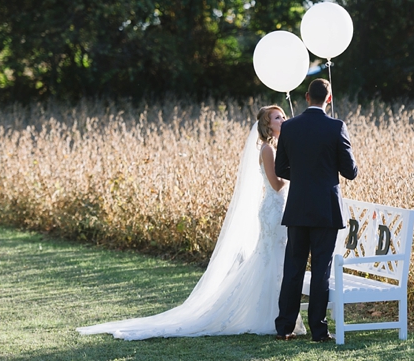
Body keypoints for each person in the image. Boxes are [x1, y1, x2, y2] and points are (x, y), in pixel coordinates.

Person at [77, 106, 305, 340]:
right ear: (268, 125)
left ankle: (278, 315)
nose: (284, 119)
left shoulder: (277, 147)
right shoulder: (267, 149)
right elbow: (277, 184)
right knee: (273, 259)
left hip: (279, 209)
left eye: (283, 116)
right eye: (278, 117)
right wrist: (298, 170)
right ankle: (270, 317)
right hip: (273, 210)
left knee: (276, 259)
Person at [273, 79, 358, 342]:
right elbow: (350, 172)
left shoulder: (289, 127)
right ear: (329, 99)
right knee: (321, 268)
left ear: (307, 97)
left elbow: (280, 169)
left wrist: (301, 175)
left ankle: (285, 327)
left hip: (298, 207)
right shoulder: (336, 127)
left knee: (294, 267)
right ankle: (319, 331)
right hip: (326, 210)